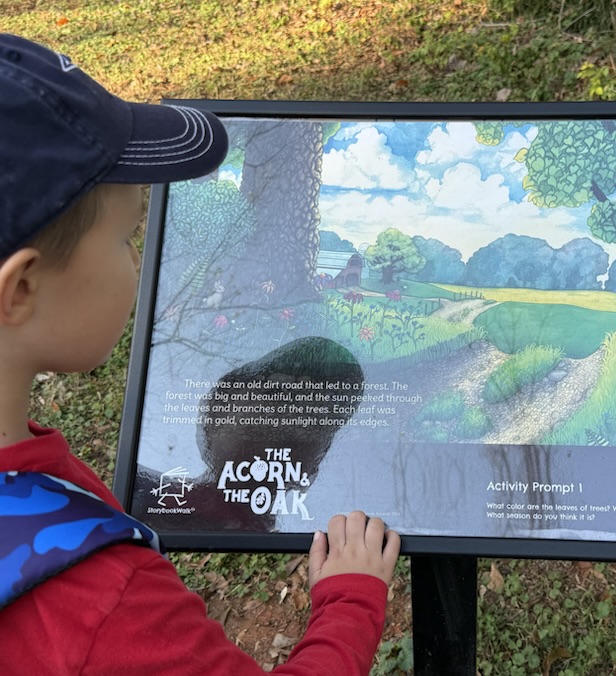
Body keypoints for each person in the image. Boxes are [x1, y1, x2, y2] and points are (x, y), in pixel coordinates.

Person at [0, 33, 400, 674]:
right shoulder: (104, 603)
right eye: (126, 237)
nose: (140, 261)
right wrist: (351, 599)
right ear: (21, 288)